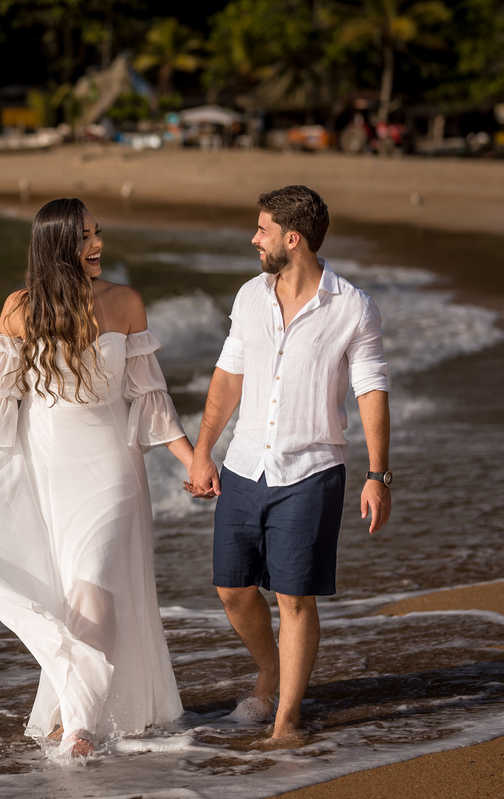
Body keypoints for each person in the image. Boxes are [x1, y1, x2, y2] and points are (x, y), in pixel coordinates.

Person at [0, 198, 194, 758]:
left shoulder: (125, 302)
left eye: (98, 233)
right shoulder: (18, 309)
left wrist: (191, 461)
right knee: (71, 597)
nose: (98, 245)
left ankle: (80, 725)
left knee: (96, 580)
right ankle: (73, 707)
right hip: (48, 471)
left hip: (113, 468)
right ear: (57, 244)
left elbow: (150, 398)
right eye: (86, 236)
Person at [187, 185, 391, 740]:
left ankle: (287, 719)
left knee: (295, 597)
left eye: (263, 230)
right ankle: (271, 669)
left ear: (292, 239)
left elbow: (371, 389)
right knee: (232, 588)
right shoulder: (250, 296)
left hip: (312, 470)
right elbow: (229, 377)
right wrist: (204, 450)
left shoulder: (352, 307)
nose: (255, 239)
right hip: (244, 465)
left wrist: (378, 475)